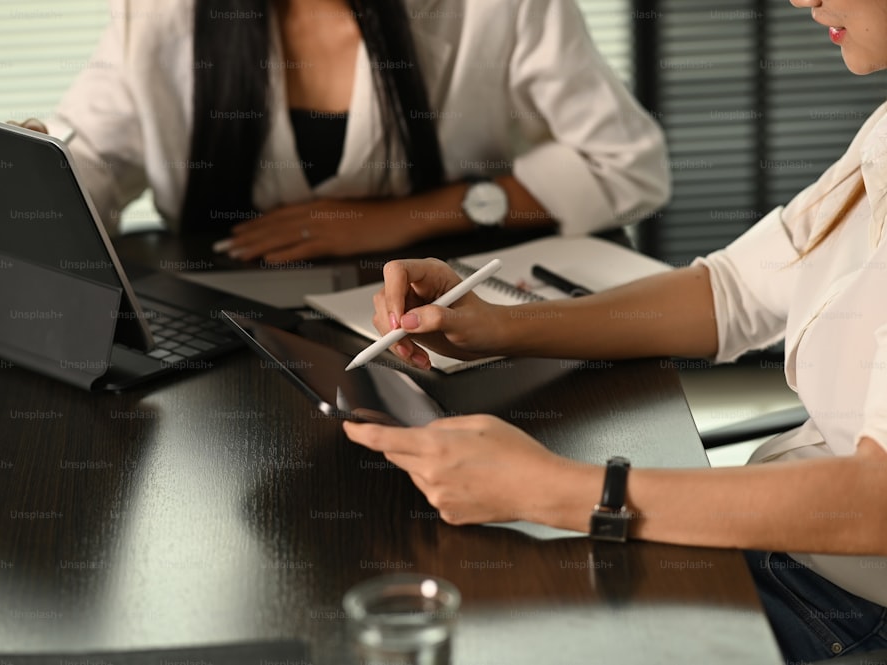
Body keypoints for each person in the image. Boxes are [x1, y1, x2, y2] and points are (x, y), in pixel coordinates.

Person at [343, 0, 887, 661]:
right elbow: (733, 291)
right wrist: (500, 325)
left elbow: (877, 502)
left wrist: (556, 490)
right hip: (783, 543)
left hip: (843, 604)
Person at [23, 0, 668, 262]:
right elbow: (94, 159)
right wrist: (35, 164)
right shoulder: (163, 12)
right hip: (222, 330)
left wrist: (411, 217)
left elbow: (626, 166)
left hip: (435, 320)